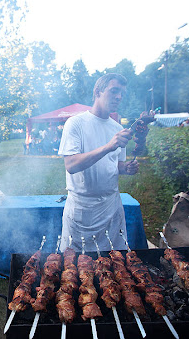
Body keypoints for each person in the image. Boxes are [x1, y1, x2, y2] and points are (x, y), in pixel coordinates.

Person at [58, 73, 138, 252]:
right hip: (82, 209)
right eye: (114, 91)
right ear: (98, 92)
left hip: (111, 207)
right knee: (76, 267)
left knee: (115, 265)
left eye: (122, 94)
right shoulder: (76, 123)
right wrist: (109, 146)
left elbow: (115, 165)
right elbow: (71, 165)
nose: (118, 97)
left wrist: (126, 168)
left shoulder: (117, 129)